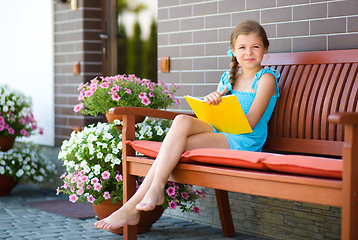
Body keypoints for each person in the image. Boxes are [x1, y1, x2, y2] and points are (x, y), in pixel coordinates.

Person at [94, 20, 280, 231]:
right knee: (181, 120)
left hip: (244, 139)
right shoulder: (229, 78)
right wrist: (213, 101)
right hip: (222, 131)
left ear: (265, 48)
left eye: (255, 47)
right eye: (242, 47)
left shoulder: (265, 78)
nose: (249, 52)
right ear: (233, 51)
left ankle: (136, 204)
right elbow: (213, 119)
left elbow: (249, 122)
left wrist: (222, 108)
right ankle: (151, 192)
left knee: (178, 145)